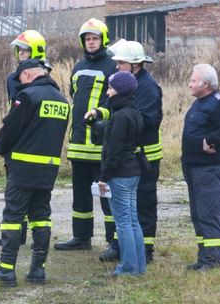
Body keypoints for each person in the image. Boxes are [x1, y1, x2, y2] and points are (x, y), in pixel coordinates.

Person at [0, 59, 69, 287]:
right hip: (48, 170)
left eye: (20, 79)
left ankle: (6, 271)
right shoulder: (62, 101)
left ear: (28, 74)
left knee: (13, 218)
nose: (20, 83)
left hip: (22, 168)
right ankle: (38, 270)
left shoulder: (28, 97)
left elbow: (11, 129)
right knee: (41, 217)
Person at [92, 40, 163, 263]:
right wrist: (97, 115)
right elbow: (109, 106)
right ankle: (119, 246)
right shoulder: (122, 83)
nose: (117, 66)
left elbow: (147, 121)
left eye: (121, 62)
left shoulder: (148, 87)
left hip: (145, 157)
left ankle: (145, 250)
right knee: (120, 205)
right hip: (126, 156)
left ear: (136, 64)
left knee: (143, 204)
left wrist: (113, 128)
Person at [54, 18, 117, 251]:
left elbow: (115, 102)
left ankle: (114, 240)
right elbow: (74, 95)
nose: (91, 42)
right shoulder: (79, 67)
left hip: (100, 143)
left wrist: (100, 115)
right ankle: (81, 238)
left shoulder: (112, 66)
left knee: (106, 194)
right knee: (80, 194)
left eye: (95, 38)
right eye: (87, 39)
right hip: (78, 142)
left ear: (103, 39)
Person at [0, 30, 50, 247]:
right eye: (19, 50)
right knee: (14, 189)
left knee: (31, 194)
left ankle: (31, 234)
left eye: (25, 50)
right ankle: (18, 233)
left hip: (35, 139)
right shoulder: (12, 78)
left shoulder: (43, 73)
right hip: (17, 135)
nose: (21, 54)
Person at [182, 64, 220, 271]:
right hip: (192, 167)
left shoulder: (218, 103)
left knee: (208, 214)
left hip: (208, 169)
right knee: (198, 214)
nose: (190, 84)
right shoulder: (199, 103)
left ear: (206, 84)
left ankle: (213, 261)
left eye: (194, 81)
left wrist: (209, 140)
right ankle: (203, 258)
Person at [98, 71, 146, 277]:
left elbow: (113, 150)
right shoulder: (134, 112)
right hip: (133, 171)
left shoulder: (120, 116)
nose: (108, 92)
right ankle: (139, 266)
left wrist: (103, 177)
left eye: (110, 88)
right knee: (133, 220)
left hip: (120, 174)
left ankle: (128, 267)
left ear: (119, 90)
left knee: (123, 222)